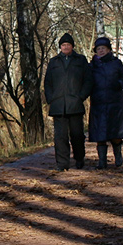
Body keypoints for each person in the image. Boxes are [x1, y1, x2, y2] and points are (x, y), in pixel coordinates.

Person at [44, 33, 93, 171]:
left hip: (75, 104)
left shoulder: (81, 60)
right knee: (60, 137)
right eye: (63, 45)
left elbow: (88, 81)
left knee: (77, 135)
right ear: (60, 47)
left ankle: (79, 158)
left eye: (68, 45)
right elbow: (47, 83)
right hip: (58, 105)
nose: (65, 47)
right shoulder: (54, 62)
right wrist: (51, 98)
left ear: (72, 46)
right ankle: (62, 163)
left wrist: (81, 96)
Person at [88, 36, 123, 169]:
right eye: (98, 49)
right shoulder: (92, 65)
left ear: (108, 50)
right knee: (100, 135)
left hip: (115, 103)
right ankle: (102, 162)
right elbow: (86, 82)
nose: (101, 51)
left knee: (115, 134)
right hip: (98, 104)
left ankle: (118, 156)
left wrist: (118, 84)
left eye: (103, 48)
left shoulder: (116, 63)